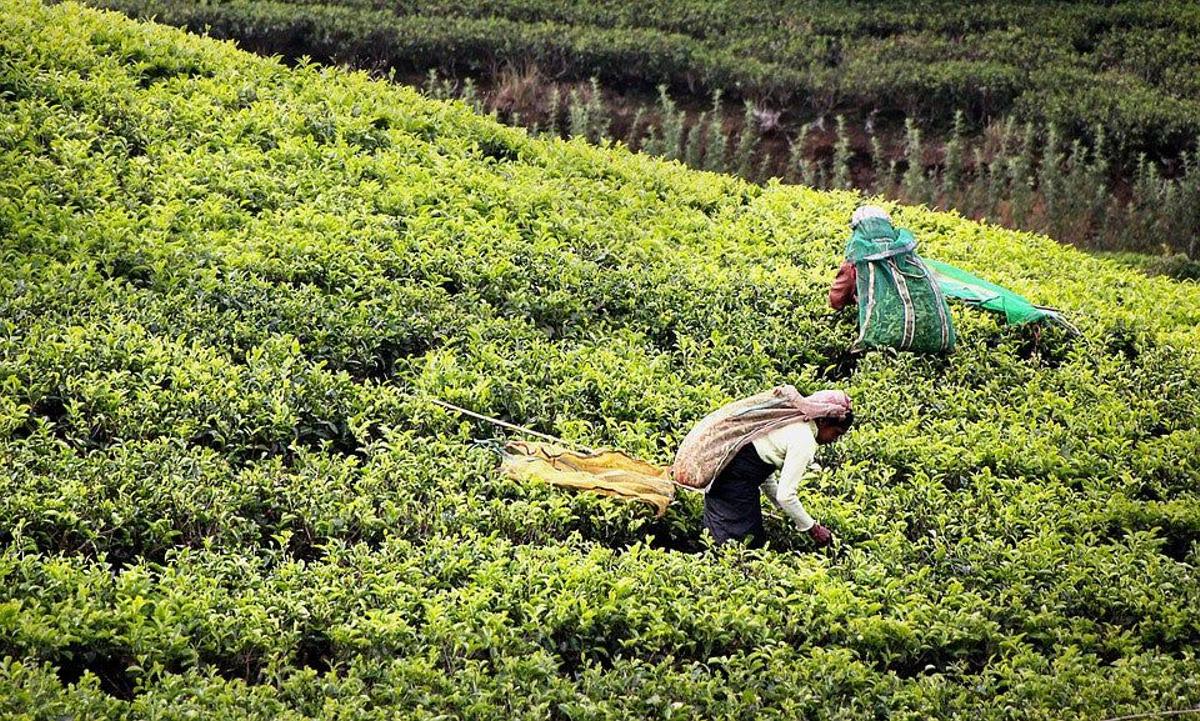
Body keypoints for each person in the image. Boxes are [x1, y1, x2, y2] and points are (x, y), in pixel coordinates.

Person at [671, 386, 853, 549]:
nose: (833, 440)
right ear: (822, 421)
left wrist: (786, 512)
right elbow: (786, 495)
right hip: (733, 483)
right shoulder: (804, 439)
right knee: (739, 544)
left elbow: (763, 472)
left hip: (728, 478)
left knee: (734, 539)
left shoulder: (791, 422)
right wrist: (813, 528)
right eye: (836, 433)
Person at [829, 205, 955, 353]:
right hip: (932, 337)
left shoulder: (857, 260)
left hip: (887, 344)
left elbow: (836, 301)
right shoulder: (908, 254)